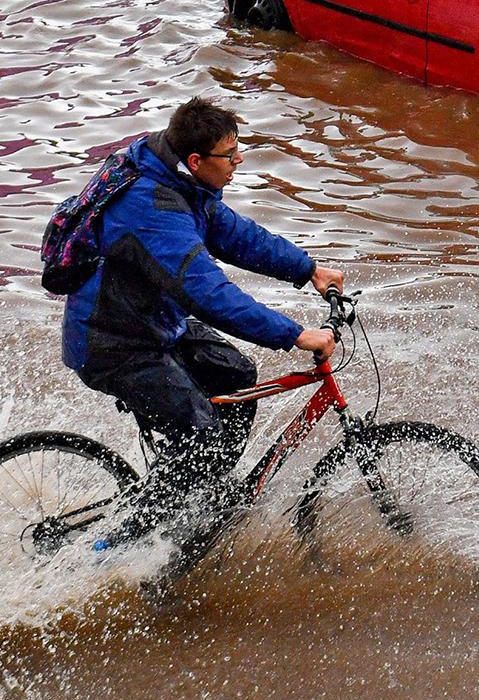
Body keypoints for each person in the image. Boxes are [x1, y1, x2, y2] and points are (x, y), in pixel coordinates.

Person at [61, 96, 341, 545]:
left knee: (235, 375)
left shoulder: (182, 181)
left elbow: (235, 234)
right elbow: (209, 295)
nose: (239, 160)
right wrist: (294, 334)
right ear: (196, 159)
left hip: (154, 324)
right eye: (230, 154)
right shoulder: (152, 209)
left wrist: (307, 269)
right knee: (202, 434)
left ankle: (198, 499)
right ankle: (113, 548)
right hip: (113, 342)